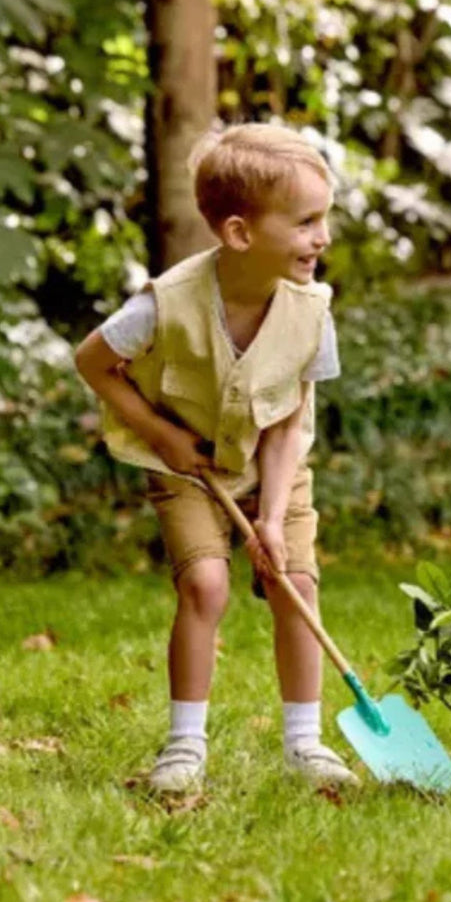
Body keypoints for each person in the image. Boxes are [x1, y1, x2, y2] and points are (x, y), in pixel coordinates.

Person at [75, 123, 358, 793]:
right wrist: (160, 433)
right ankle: (183, 747)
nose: (323, 238)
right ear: (239, 234)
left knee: (297, 586)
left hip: (273, 465)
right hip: (187, 465)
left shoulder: (312, 310)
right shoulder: (164, 304)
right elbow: (94, 360)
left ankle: (304, 743)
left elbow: (291, 419)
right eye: (306, 222)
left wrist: (271, 517)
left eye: (325, 219)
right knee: (205, 586)